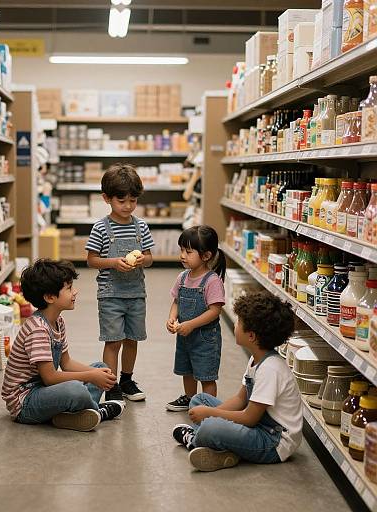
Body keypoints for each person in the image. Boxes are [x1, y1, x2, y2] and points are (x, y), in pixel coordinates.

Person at [172, 291, 302, 472]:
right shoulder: (257, 358)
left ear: (251, 336)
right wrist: (209, 411)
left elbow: (249, 418)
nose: (235, 324)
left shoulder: (270, 369)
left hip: (273, 442)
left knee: (211, 427)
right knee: (199, 399)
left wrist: (210, 414)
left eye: (239, 322)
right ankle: (225, 448)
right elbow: (240, 400)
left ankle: (194, 441)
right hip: (259, 425)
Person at [1, 259, 124, 431]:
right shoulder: (37, 329)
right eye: (69, 288)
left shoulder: (57, 321)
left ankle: (72, 415)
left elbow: (66, 364)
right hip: (25, 402)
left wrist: (95, 373)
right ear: (50, 297)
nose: (75, 292)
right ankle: (98, 412)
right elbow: (50, 377)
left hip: (44, 390)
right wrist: (90, 377)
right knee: (76, 389)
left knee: (101, 367)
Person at [86, 164, 154, 403]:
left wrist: (141, 260)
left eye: (133, 201)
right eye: (121, 201)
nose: (127, 206)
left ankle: (127, 380)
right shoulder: (100, 228)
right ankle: (111, 384)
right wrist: (114, 262)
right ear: (107, 198)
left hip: (136, 293)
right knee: (113, 341)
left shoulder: (141, 227)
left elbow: (149, 258)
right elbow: (91, 260)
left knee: (132, 339)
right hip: (110, 295)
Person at [165, 225, 226, 411]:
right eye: (181, 250)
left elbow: (215, 311)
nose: (182, 255)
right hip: (185, 335)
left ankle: (208, 405)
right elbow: (176, 301)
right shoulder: (182, 277)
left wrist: (191, 324)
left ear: (206, 256)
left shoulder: (212, 281)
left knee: (206, 375)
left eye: (188, 251)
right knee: (187, 370)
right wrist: (172, 318)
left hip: (206, 338)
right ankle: (190, 399)